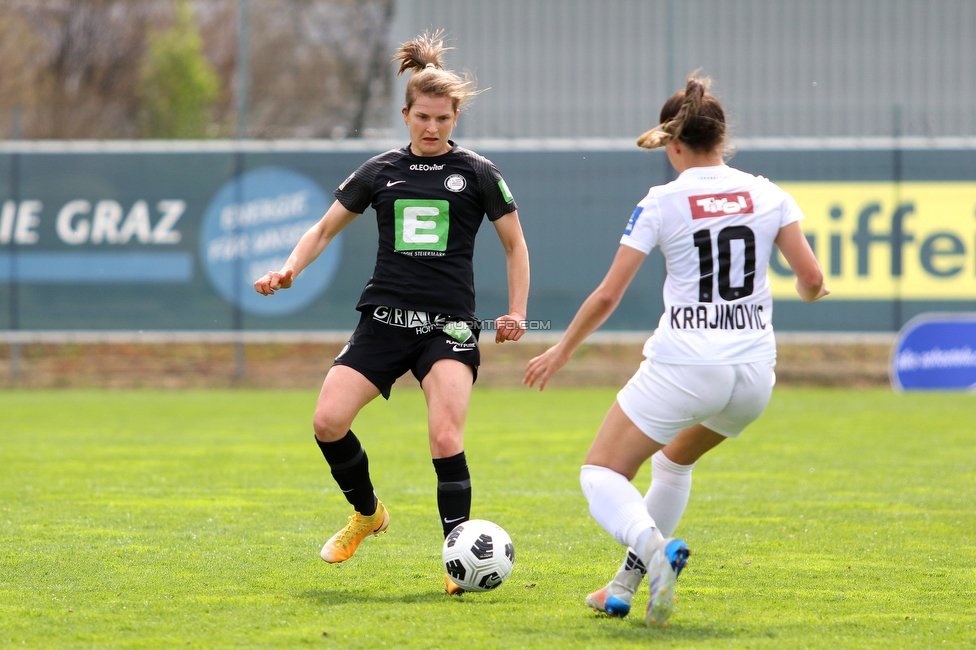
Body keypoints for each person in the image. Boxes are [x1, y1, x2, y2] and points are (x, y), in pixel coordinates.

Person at [523, 73, 829, 626]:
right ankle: (621, 586)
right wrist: (812, 291)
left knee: (600, 474)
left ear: (674, 144)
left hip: (688, 365)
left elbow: (609, 292)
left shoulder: (663, 200)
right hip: (754, 376)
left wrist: (562, 350)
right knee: (672, 463)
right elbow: (810, 278)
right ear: (722, 138)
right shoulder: (768, 192)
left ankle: (654, 546)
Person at [254, 30, 530, 595]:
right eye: (423, 117)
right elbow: (325, 228)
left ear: (455, 119)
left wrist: (517, 311)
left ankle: (458, 564)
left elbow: (515, 246)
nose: (432, 128)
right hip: (383, 319)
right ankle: (367, 513)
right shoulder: (379, 170)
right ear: (406, 114)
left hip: (448, 327)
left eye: (443, 119)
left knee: (445, 437)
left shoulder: (477, 173)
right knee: (327, 422)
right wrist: (289, 269)